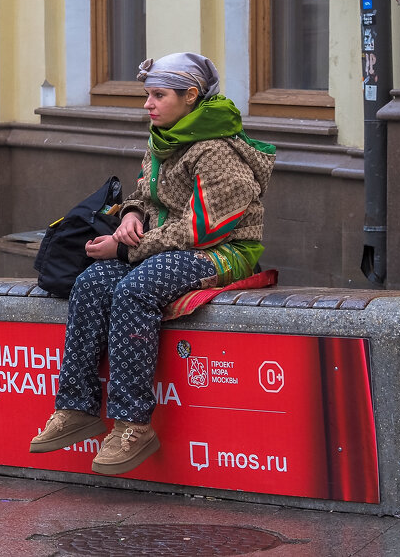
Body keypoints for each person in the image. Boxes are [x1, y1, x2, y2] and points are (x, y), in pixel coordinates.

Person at [29, 53, 276, 475]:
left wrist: (126, 250)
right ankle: (76, 408)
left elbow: (205, 228)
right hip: (162, 247)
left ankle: (132, 425)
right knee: (91, 283)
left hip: (222, 252)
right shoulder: (163, 137)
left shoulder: (216, 150)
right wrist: (130, 217)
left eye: (158, 95)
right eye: (148, 95)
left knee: (134, 288)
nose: (148, 104)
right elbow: (146, 194)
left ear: (191, 95)